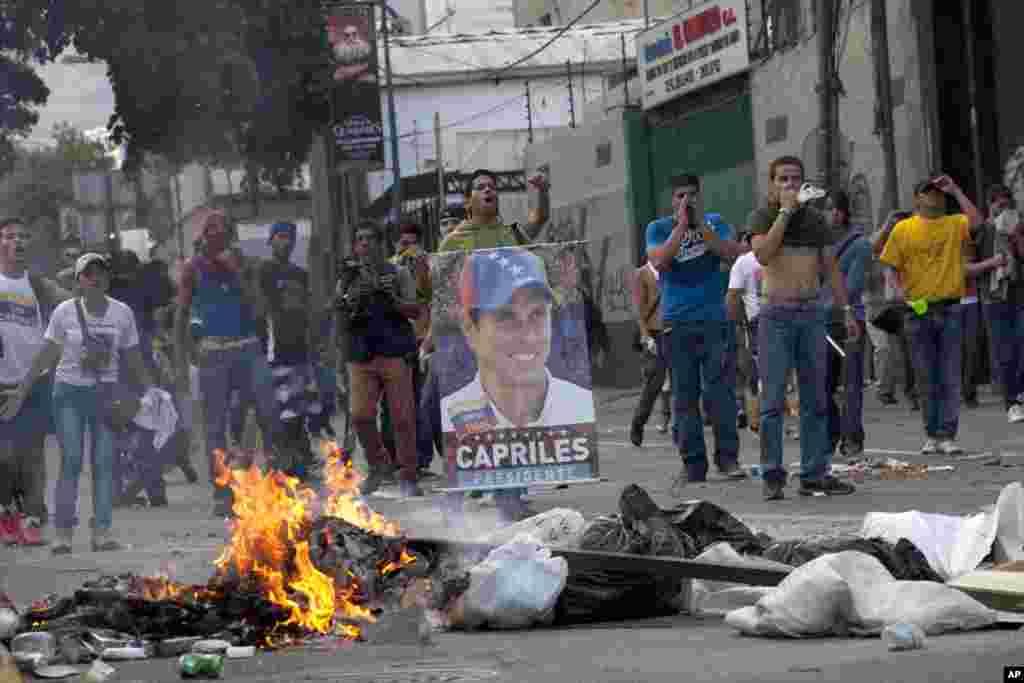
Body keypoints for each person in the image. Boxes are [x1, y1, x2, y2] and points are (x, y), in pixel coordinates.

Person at [4, 253, 155, 554]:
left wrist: (151, 392)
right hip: (69, 393)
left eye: (99, 273)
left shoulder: (121, 313)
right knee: (71, 461)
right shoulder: (64, 312)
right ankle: (63, 534)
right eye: (87, 274)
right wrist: (21, 391)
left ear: (108, 278)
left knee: (103, 464)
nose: (94, 278)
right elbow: (46, 355)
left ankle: (102, 532)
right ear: (78, 282)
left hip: (105, 396)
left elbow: (133, 357)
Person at [424, 168, 550, 522]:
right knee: (462, 417)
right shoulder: (454, 242)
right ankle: (459, 492)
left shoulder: (509, 234)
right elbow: (442, 295)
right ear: (468, 201)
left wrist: (542, 191)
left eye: (492, 187)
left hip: (505, 341)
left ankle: (509, 496)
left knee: (506, 418)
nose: (488, 191)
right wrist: (437, 340)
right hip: (465, 341)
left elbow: (539, 219)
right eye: (480, 187)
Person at [749, 156, 859, 500]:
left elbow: (831, 267)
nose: (790, 185)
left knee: (815, 399)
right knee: (773, 401)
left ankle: (814, 473)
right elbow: (764, 254)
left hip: (811, 315)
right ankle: (773, 475)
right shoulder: (763, 216)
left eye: (795, 179)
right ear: (771, 183)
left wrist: (847, 310)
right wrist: (784, 212)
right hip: (775, 315)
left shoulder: (815, 221)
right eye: (782, 179)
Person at [175, 208, 279, 517]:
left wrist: (239, 273)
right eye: (212, 231)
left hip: (248, 348)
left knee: (268, 412)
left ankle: (275, 483)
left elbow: (260, 309)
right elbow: (181, 313)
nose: (217, 236)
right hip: (213, 352)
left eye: (223, 230)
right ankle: (222, 493)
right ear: (203, 237)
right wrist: (182, 357)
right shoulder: (192, 268)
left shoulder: (246, 264)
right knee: (215, 426)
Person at [646, 173, 748, 487]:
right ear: (671, 200)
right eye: (680, 196)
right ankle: (694, 464)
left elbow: (732, 253)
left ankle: (728, 458)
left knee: (721, 395)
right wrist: (680, 225)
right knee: (684, 397)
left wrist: (700, 225)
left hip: (715, 319)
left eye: (691, 195)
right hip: (677, 323)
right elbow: (660, 261)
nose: (686, 201)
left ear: (700, 197)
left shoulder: (714, 222)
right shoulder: (658, 228)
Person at [878, 175, 982, 454]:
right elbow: (888, 263)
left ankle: (947, 434)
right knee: (925, 375)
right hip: (917, 308)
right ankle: (932, 434)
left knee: (949, 374)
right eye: (928, 192)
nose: (934, 196)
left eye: (938, 192)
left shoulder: (954, 222)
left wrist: (956, 190)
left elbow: (978, 223)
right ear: (917, 198)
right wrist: (895, 287)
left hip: (949, 306)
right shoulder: (904, 229)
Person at [441, 247, 595, 430]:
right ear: (470, 329)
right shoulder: (451, 416)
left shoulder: (580, 407)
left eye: (537, 314)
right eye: (506, 317)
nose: (528, 336)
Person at [335, 221, 423, 498]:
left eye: (371, 238)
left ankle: (408, 475)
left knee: (403, 419)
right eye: (360, 239)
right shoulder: (347, 277)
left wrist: (392, 298)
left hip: (394, 352)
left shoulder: (397, 273)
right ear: (355, 246)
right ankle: (377, 465)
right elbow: (337, 313)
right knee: (361, 416)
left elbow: (415, 310)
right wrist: (351, 300)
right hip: (360, 355)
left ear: (380, 244)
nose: (365, 243)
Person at [0, 217, 70, 546]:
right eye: (10, 236)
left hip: (34, 382)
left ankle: (32, 518)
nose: (18, 241)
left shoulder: (40, 286)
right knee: (5, 456)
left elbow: (72, 306)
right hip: (1, 383)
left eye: (24, 236)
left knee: (32, 454)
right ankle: (7, 515)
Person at [259, 221, 322, 481]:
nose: (285, 241)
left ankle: (299, 458)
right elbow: (260, 307)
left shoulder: (300, 273)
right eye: (280, 236)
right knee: (282, 409)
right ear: (271, 240)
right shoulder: (264, 270)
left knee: (301, 407)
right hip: (276, 349)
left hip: (300, 349)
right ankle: (283, 461)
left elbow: (307, 309)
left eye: (290, 237)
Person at [967, 184, 1024, 423]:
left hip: (1019, 293)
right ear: (990, 207)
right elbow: (966, 269)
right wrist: (993, 262)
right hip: (993, 297)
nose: (1003, 211)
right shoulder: (982, 232)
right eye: (999, 206)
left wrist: (1015, 237)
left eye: (1007, 205)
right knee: (1004, 351)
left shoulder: (1018, 228)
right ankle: (1012, 402)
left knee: (1021, 344)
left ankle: (1019, 393)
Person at [825, 190, 871, 459]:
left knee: (851, 383)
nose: (830, 214)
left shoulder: (859, 244)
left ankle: (852, 438)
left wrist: (826, 303)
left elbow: (853, 287)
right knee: (822, 384)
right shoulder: (817, 244)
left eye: (833, 208)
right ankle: (830, 435)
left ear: (843, 212)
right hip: (820, 323)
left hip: (850, 320)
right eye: (825, 209)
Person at [629, 258, 671, 446]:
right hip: (654, 333)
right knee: (654, 382)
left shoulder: (670, 268)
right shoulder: (642, 274)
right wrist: (646, 337)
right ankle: (638, 422)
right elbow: (638, 310)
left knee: (681, 379)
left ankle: (676, 424)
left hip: (673, 330)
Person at [727, 231, 763, 433]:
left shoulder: (779, 254)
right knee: (753, 373)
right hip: (755, 324)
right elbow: (733, 297)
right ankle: (755, 418)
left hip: (775, 318)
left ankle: (759, 418)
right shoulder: (743, 263)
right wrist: (737, 324)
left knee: (761, 374)